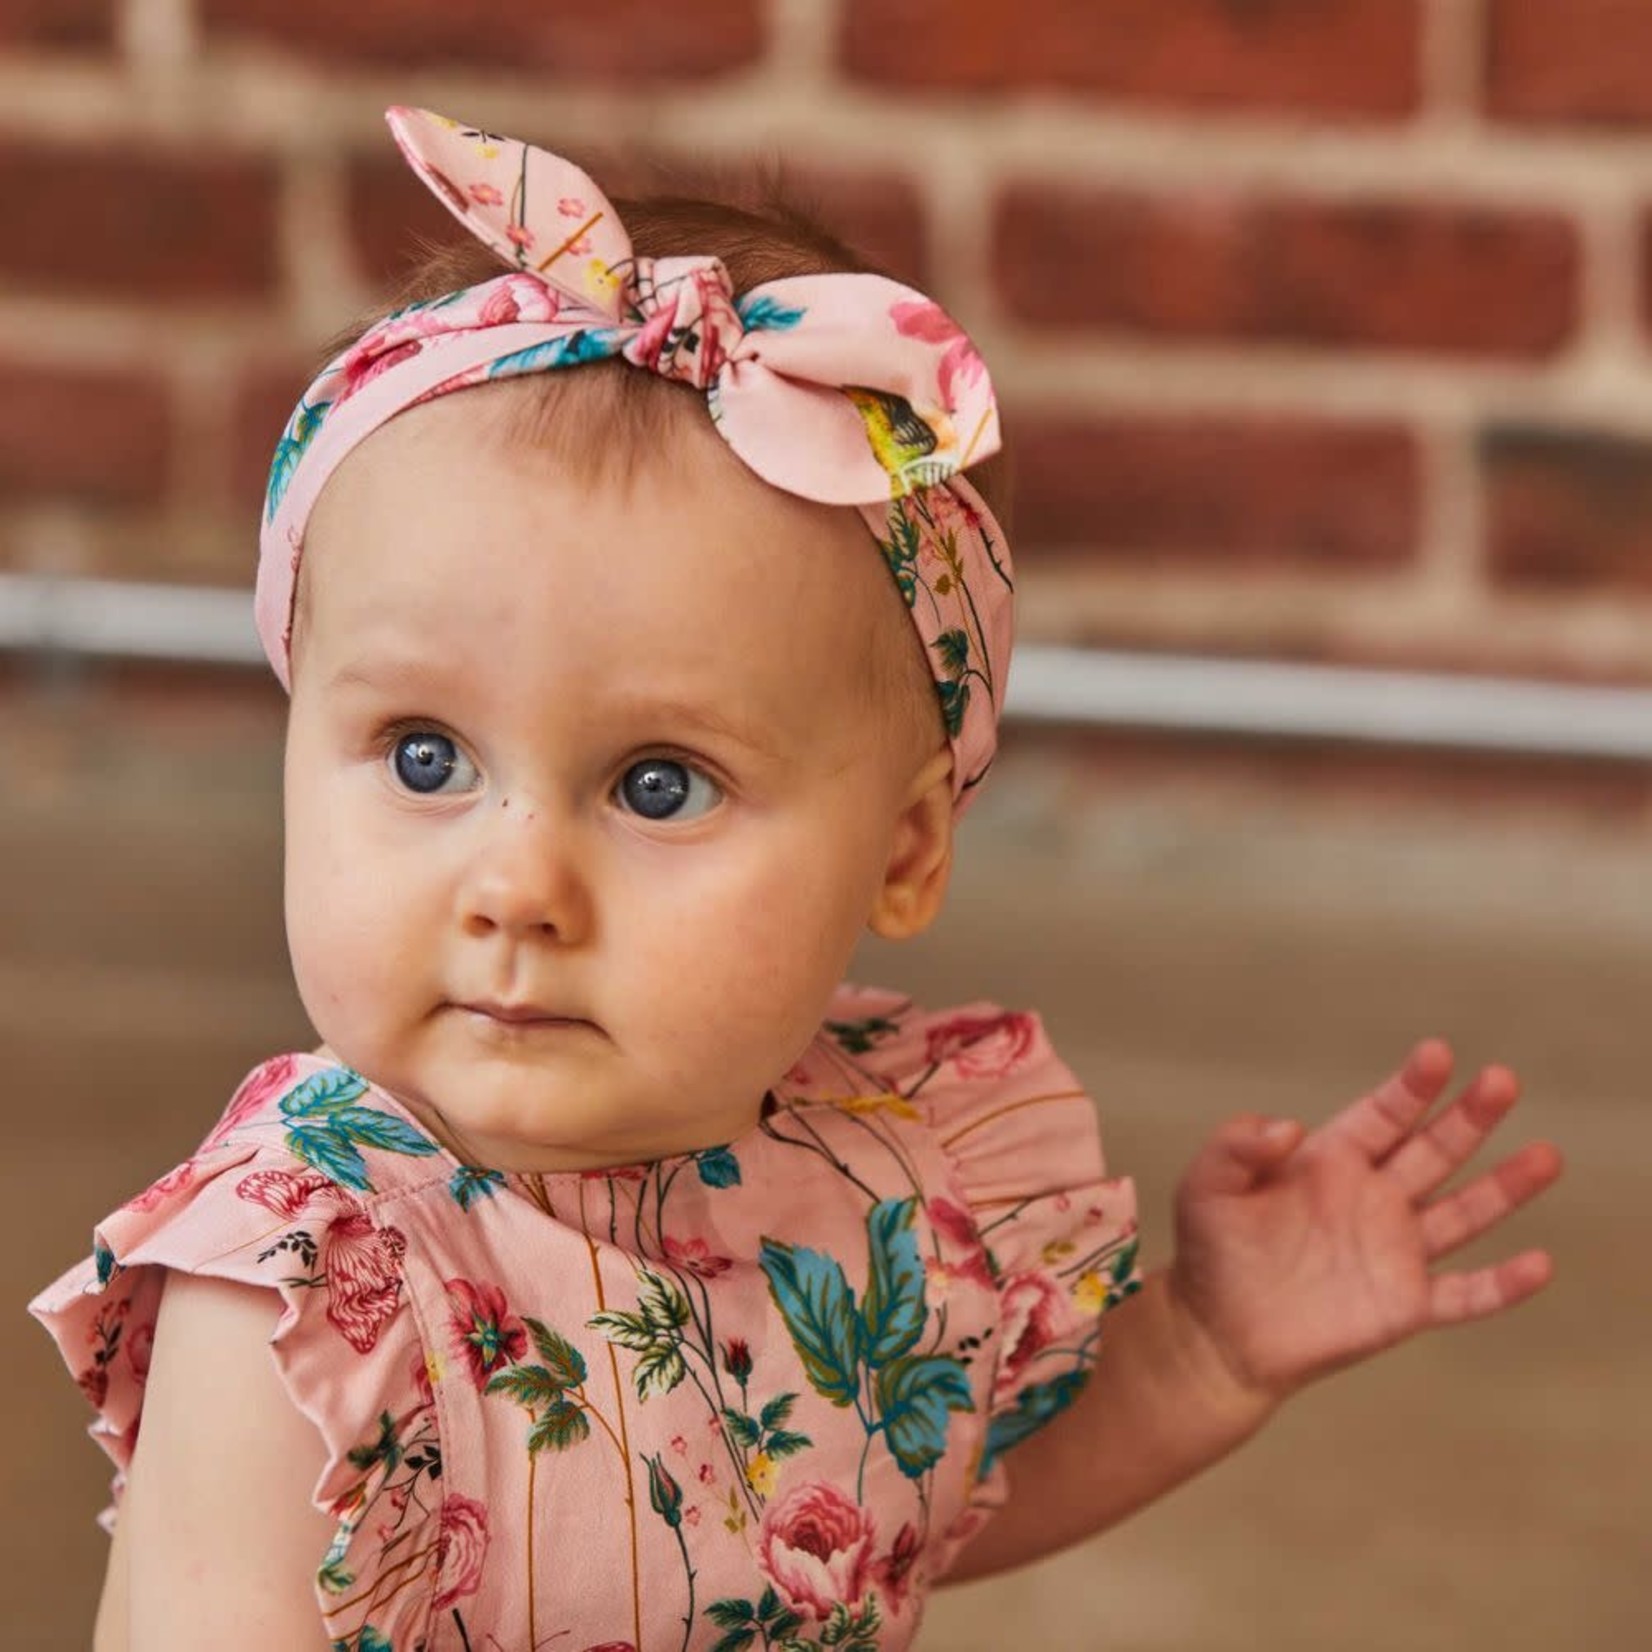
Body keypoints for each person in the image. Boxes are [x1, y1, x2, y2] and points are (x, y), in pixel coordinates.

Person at [31, 108, 1563, 1652]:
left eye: (656, 786)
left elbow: (900, 1521)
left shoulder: (878, 1190)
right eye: (424, 756)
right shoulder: (303, 1297)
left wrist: (1205, 1354)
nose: (518, 886)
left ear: (902, 852)